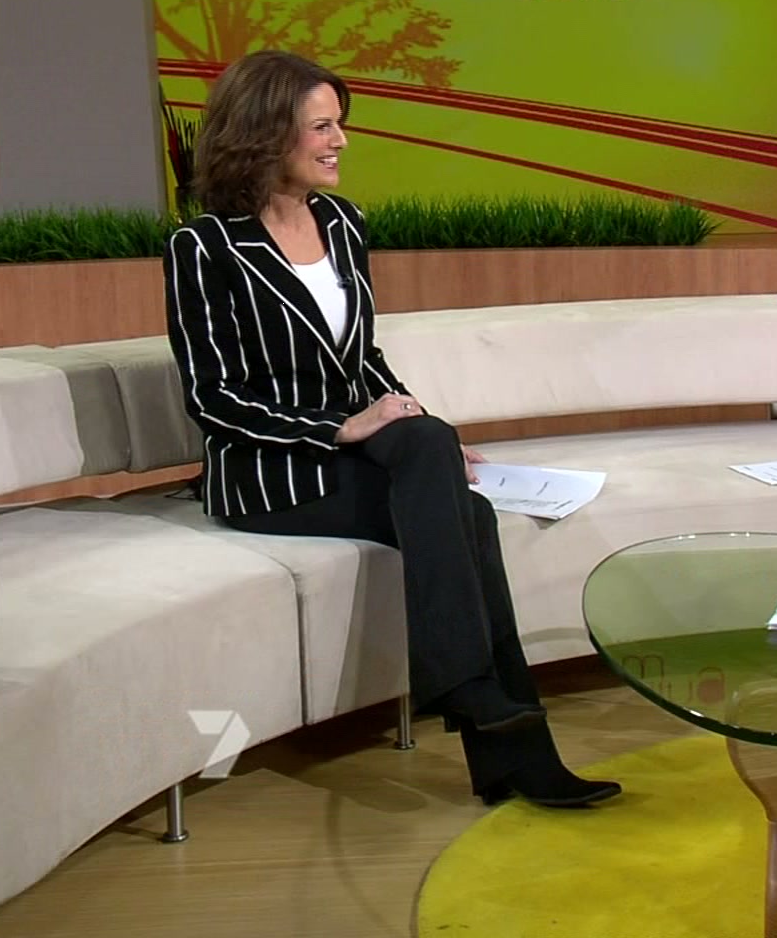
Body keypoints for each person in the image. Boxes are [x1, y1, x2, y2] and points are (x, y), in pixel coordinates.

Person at [162, 50, 621, 810]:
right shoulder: (205, 247)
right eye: (322, 126)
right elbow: (215, 400)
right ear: (266, 132)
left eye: (339, 124)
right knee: (462, 508)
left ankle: (491, 721)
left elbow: (364, 357)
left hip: (347, 459)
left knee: (458, 491)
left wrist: (421, 425)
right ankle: (504, 741)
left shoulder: (342, 223)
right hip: (271, 478)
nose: (340, 140)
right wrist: (339, 428)